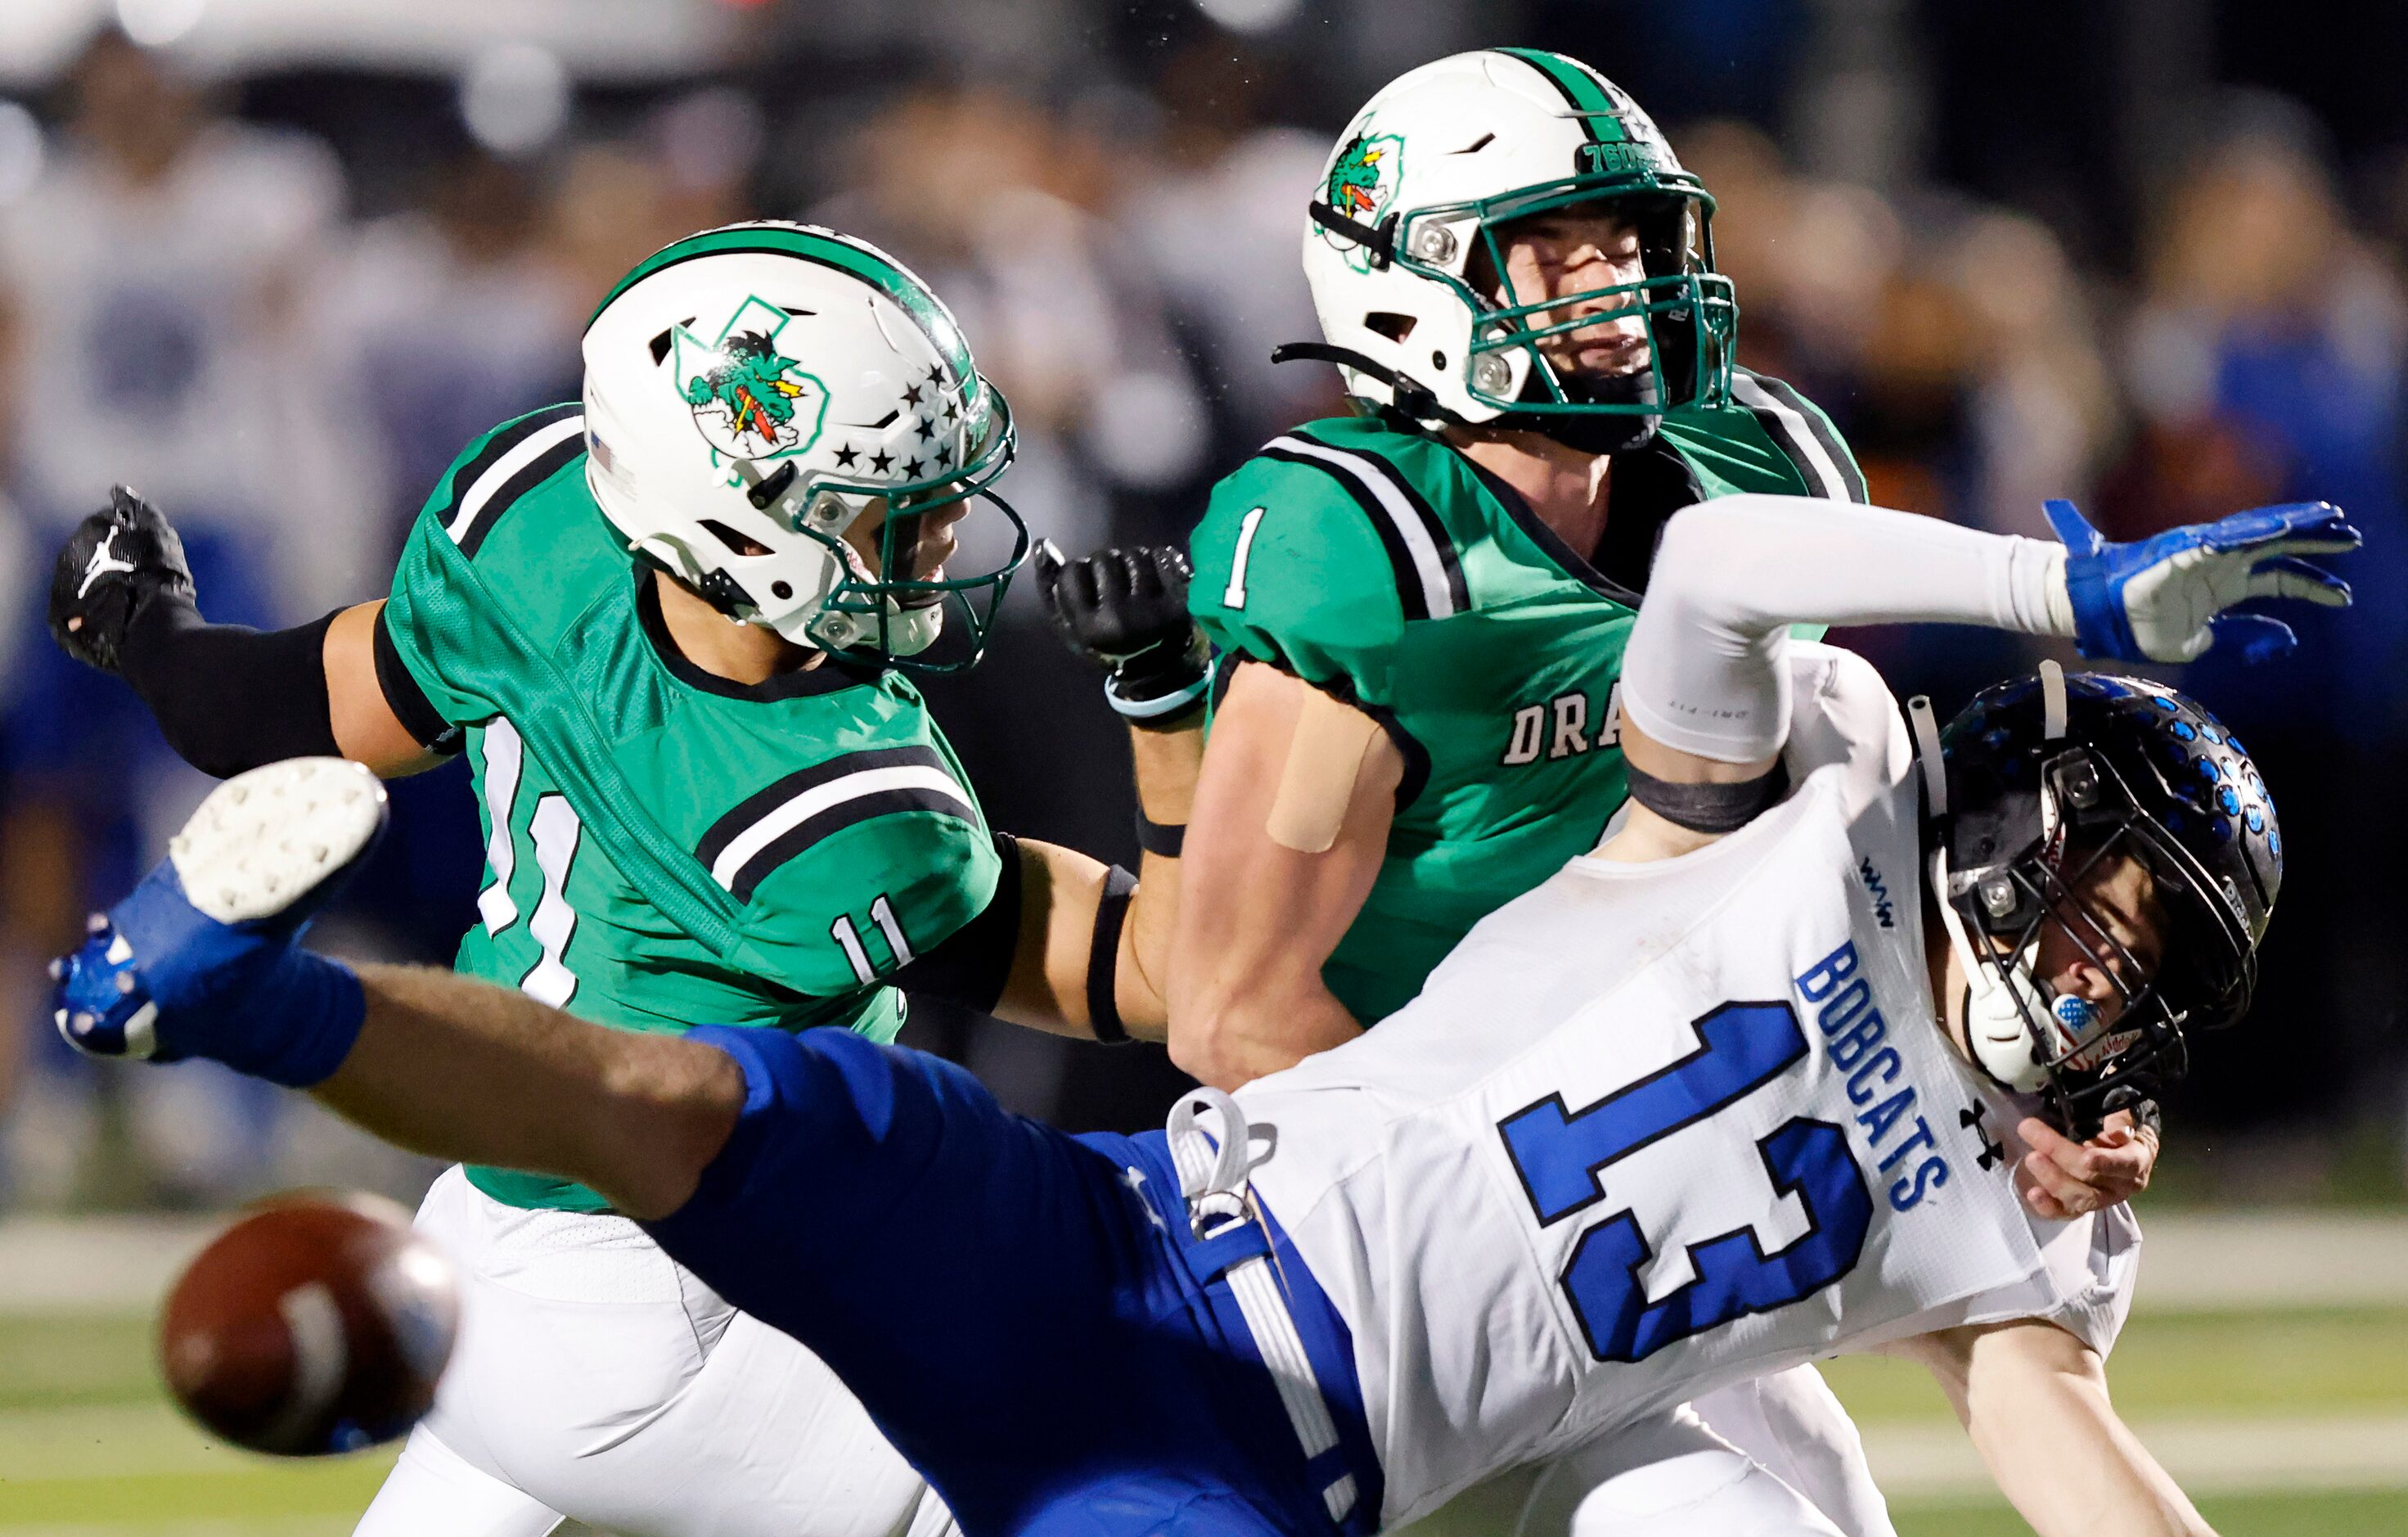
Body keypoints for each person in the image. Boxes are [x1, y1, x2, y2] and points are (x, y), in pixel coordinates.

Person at [54, 485, 2354, 1535]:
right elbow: (1721, 564)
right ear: (1994, 818)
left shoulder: (2022, 1213)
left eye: (2157, 971)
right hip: (1120, 1220)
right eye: (2102, 899)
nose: (2099, 971)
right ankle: (247, 993)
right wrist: (2061, 583)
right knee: (701, 1100)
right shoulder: (1781, 826)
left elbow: (2079, 1466)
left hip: (1261, 1457)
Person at [44, 223, 1207, 1537]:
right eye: (888, 500)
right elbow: (1163, 976)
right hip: (691, 1305)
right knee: (1105, 1430)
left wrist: (146, 632)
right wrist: (1168, 705)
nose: (941, 530)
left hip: (485, 1249)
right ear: (743, 524)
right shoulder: (845, 809)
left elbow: (278, 707)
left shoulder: (542, 530)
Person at [1157, 48, 2152, 1534]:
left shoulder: (1743, 466)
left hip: (1643, 1156)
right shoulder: (1376, 554)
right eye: (1555, 249)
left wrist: (1992, 1109)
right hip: (1389, 1226)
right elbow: (1229, 1009)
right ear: (1410, 279)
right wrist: (1516, 1189)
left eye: (1629, 241)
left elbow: (1830, 887)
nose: (1616, 283)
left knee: (1842, 712)